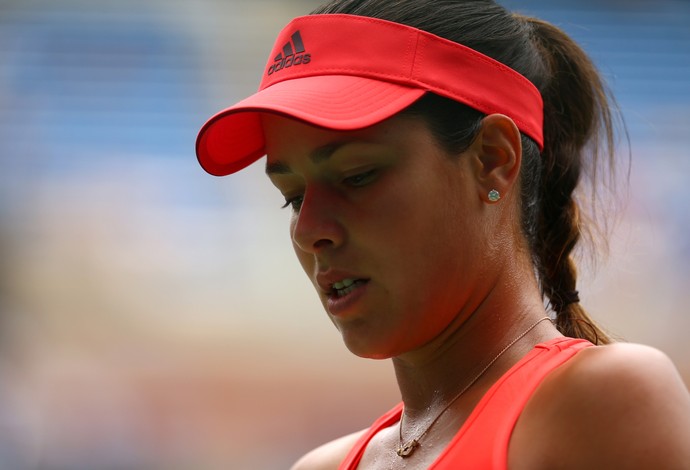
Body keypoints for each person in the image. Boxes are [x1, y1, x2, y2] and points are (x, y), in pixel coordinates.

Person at [195, 0, 690, 468]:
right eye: (294, 197)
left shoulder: (603, 402)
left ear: (493, 160)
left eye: (356, 176)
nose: (309, 232)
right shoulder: (323, 464)